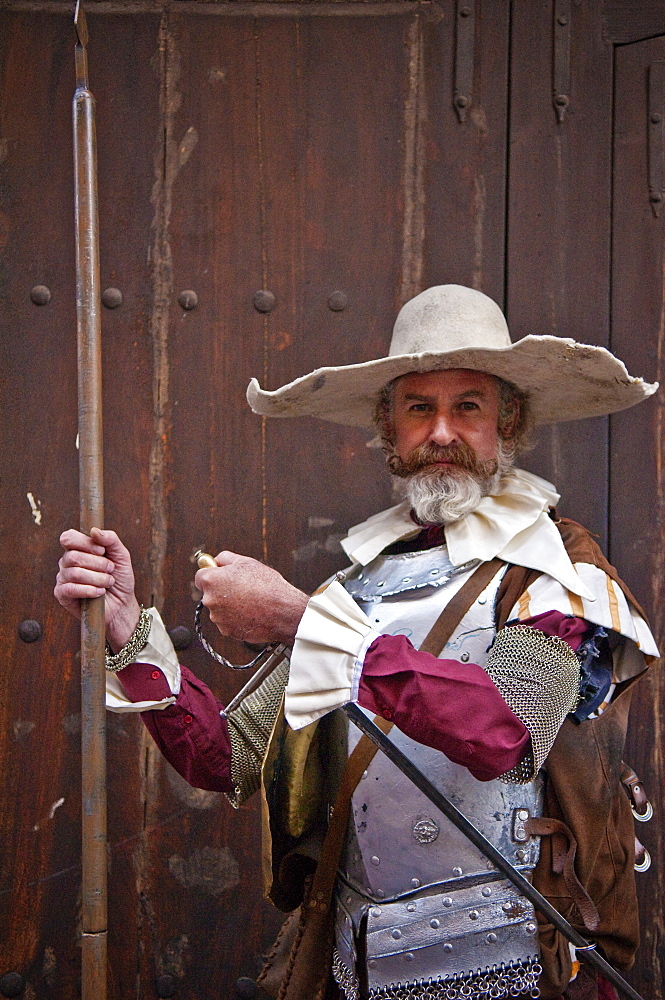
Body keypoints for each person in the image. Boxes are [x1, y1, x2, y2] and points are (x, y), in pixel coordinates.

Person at [55, 286, 659, 1000]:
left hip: (519, 961)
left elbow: (506, 730)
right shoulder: (359, 586)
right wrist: (127, 627)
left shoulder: (558, 565)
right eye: (417, 408)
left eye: (467, 406)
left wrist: (300, 622)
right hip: (359, 965)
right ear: (389, 430)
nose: (441, 432)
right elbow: (229, 757)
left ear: (508, 421)